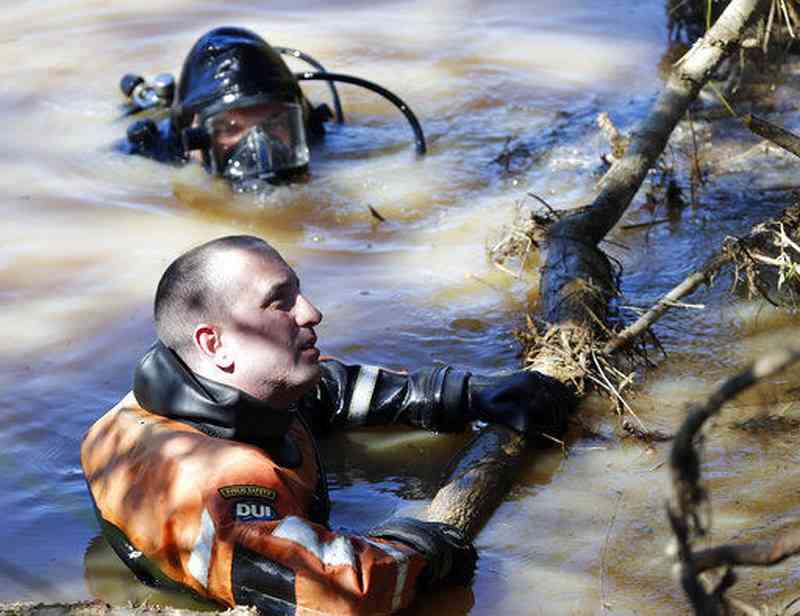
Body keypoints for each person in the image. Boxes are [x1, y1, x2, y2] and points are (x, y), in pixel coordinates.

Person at [81, 235, 573, 615]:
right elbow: (339, 593)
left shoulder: (213, 391)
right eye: (280, 301)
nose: (312, 312)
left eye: (300, 291)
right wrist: (426, 550)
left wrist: (468, 394)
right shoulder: (210, 484)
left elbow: (328, 390)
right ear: (214, 344)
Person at [119, 27, 427, 193]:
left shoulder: (320, 139)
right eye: (229, 128)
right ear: (194, 130)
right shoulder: (152, 152)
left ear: (301, 122)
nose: (257, 143)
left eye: (274, 121)